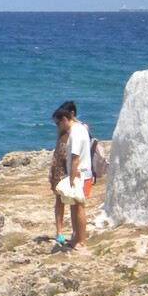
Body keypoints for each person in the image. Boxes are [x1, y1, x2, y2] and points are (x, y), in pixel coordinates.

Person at [53, 105, 92, 250]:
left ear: (64, 119)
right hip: (82, 173)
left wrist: (71, 180)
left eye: (58, 124)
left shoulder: (75, 133)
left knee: (79, 207)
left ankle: (81, 241)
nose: (58, 127)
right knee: (75, 207)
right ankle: (76, 238)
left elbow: (75, 158)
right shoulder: (81, 128)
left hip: (79, 175)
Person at [49, 100, 77, 245]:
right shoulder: (62, 129)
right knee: (59, 199)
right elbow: (57, 146)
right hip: (60, 165)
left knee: (73, 200)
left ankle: (75, 231)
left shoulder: (77, 129)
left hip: (70, 166)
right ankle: (59, 232)